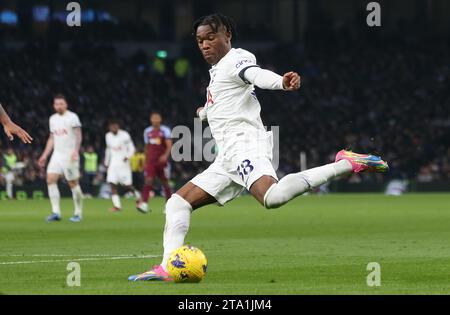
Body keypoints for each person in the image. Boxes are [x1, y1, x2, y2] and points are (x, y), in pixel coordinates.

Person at [128, 14, 389, 281]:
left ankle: (346, 162)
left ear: (227, 35)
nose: (204, 45)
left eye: (210, 38)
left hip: (246, 146)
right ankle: (168, 267)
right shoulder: (217, 71)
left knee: (272, 198)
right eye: (199, 41)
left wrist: (281, 83)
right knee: (177, 203)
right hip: (226, 158)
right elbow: (228, 99)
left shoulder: (237, 58)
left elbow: (255, 75)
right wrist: (206, 111)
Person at [38, 94, 84, 223]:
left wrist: (76, 150)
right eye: (56, 104)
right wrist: (44, 155)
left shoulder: (72, 117)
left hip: (70, 154)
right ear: (54, 105)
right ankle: (56, 212)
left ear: (66, 104)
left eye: (61, 104)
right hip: (57, 154)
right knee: (50, 179)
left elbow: (78, 135)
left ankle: (78, 213)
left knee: (73, 183)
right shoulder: (52, 119)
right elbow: (52, 138)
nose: (58, 106)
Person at [136, 111, 173, 213]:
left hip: (161, 161)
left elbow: (169, 145)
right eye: (153, 118)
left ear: (160, 119)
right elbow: (146, 147)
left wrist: (165, 156)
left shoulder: (165, 130)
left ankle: (169, 204)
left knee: (165, 182)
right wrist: (145, 160)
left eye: (157, 118)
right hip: (151, 161)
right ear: (151, 119)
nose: (155, 120)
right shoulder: (147, 131)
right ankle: (144, 204)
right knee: (148, 180)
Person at [104, 120, 141, 212]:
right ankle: (117, 206)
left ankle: (138, 197)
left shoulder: (125, 135)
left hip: (123, 163)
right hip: (113, 164)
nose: (113, 128)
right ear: (109, 127)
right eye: (112, 126)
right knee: (112, 184)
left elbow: (132, 148)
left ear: (118, 126)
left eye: (115, 126)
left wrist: (127, 156)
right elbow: (108, 149)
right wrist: (106, 162)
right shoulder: (108, 136)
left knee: (127, 185)